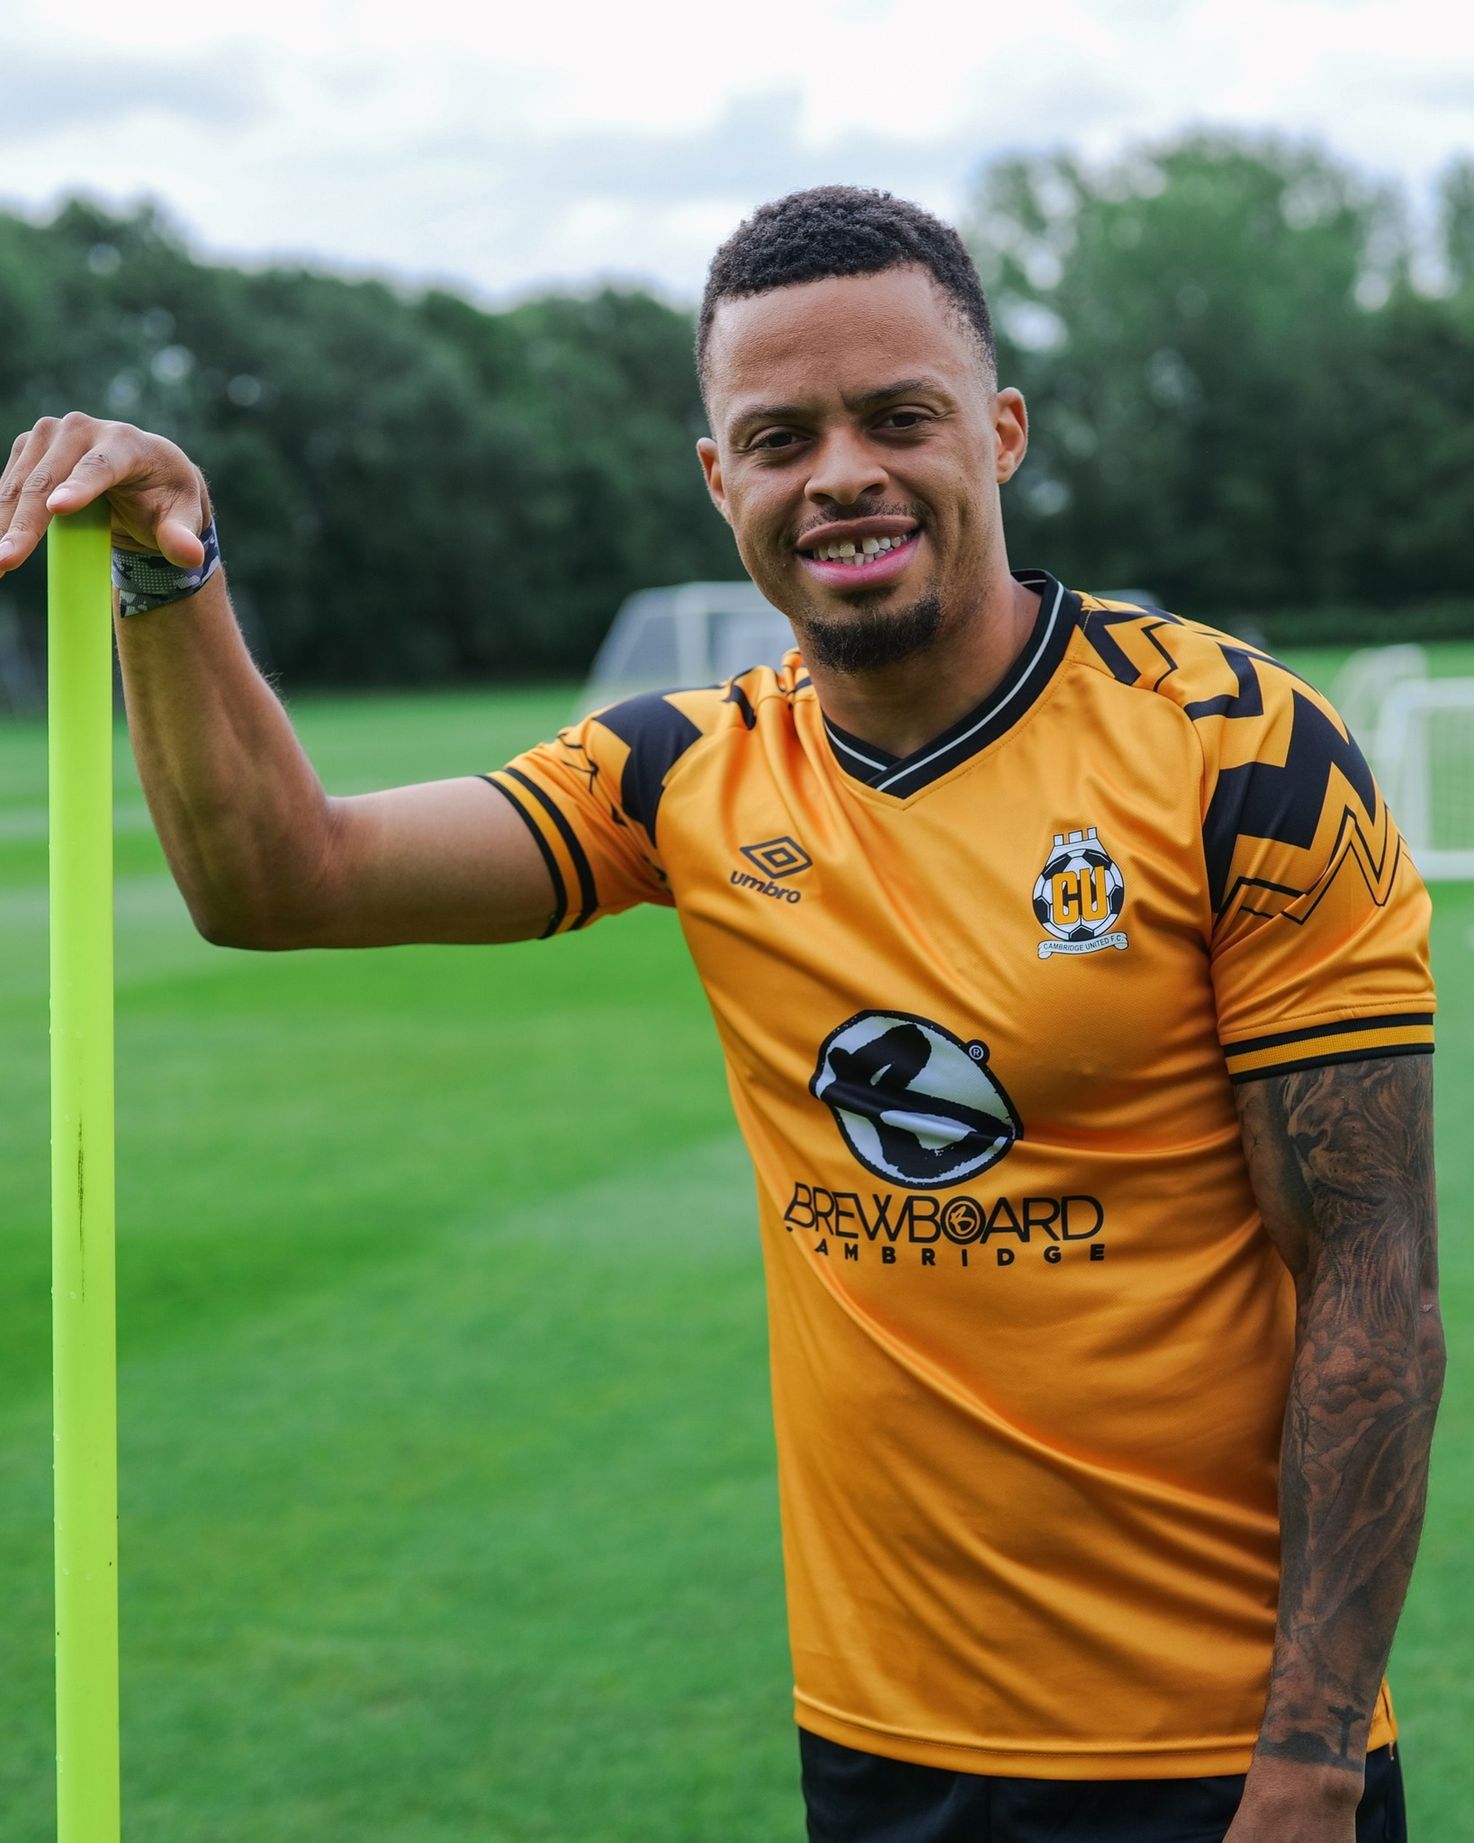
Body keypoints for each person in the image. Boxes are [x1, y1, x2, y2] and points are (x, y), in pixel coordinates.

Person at [0, 186, 1442, 1843]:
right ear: (717, 478)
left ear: (1000, 432)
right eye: (779, 438)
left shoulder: (1239, 750)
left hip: (1219, 1762)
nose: (839, 474)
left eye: (896, 417)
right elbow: (285, 880)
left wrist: (1311, 1757)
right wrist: (174, 572)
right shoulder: (683, 771)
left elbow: (1371, 1285)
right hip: (879, 1743)